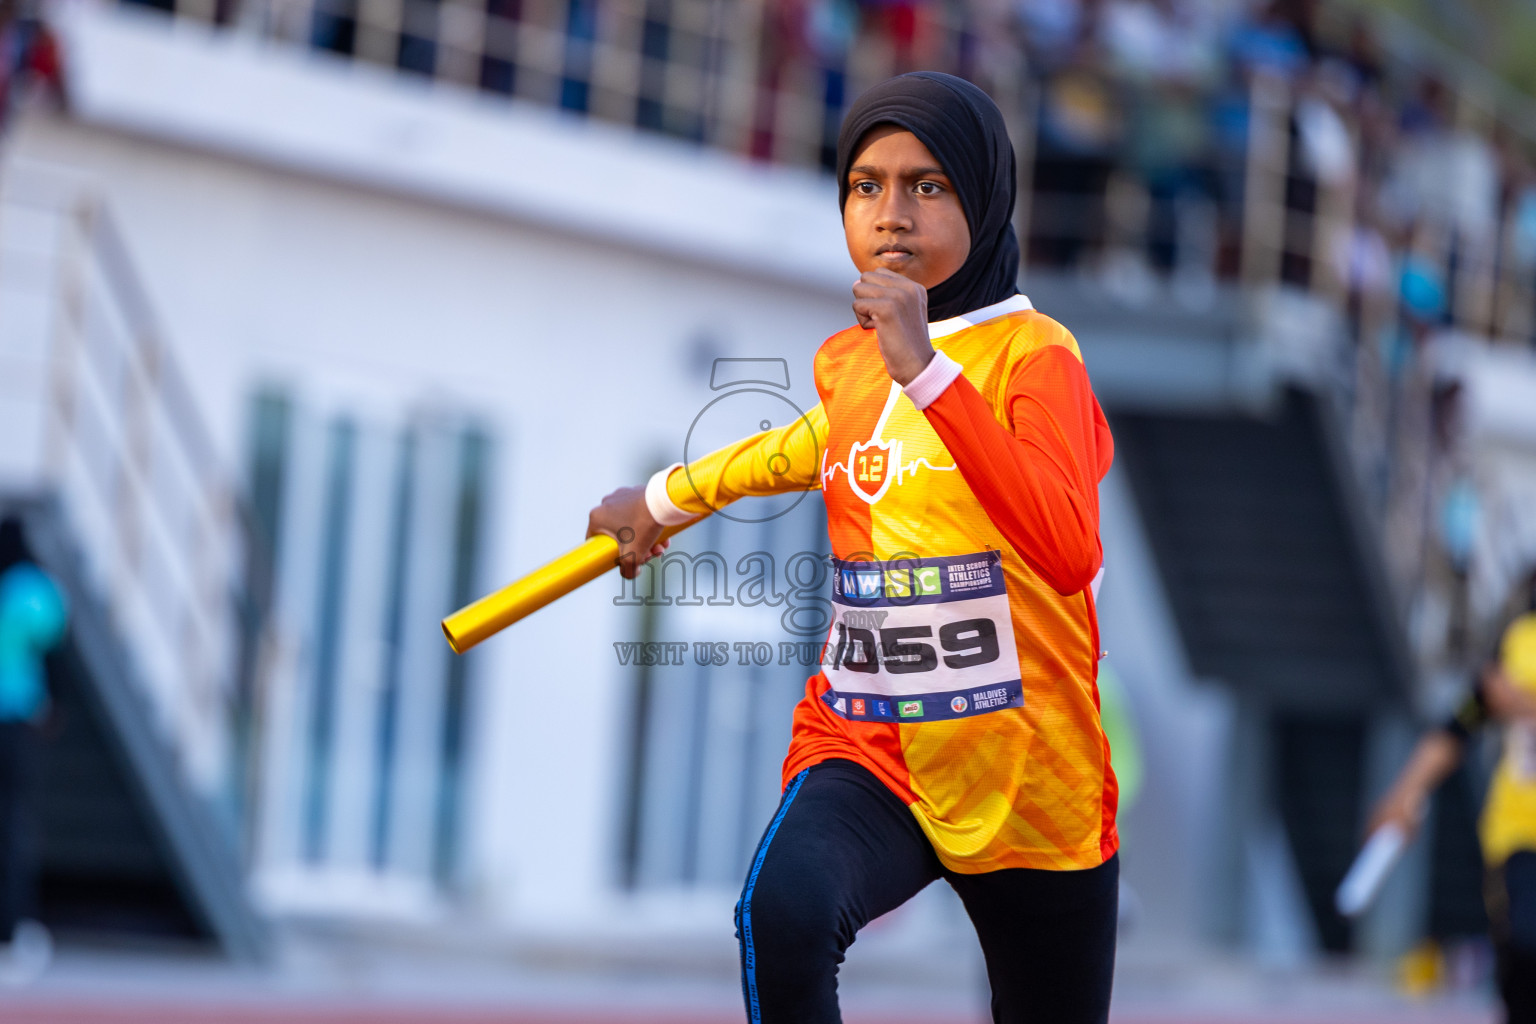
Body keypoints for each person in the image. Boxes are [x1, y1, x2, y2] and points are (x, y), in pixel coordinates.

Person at [589, 72, 1119, 1023]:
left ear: (985, 198)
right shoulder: (849, 363)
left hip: (1032, 782)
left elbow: (1067, 545)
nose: (891, 214)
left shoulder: (1039, 357)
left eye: (928, 185)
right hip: (874, 745)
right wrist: (664, 501)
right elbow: (800, 448)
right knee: (782, 913)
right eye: (866, 185)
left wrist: (925, 366)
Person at [1368, 598, 1536, 1024]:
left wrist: (1526, 706)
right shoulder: (1521, 644)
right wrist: (1404, 793)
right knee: (1525, 948)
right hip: (1520, 836)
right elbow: (1459, 725)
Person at [0, 516, 67, 986]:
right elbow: (57, 651)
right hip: (18, 719)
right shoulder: (33, 589)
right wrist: (53, 706)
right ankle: (13, 928)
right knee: (14, 825)